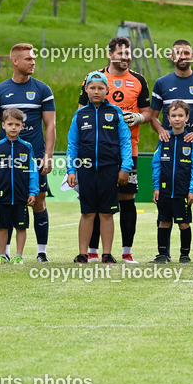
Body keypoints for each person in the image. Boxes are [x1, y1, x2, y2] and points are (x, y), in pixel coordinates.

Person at [77, 36, 151, 263]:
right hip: (97, 153)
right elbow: (81, 114)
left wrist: (138, 116)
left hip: (129, 151)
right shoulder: (94, 78)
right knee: (98, 200)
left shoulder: (139, 80)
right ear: (110, 54)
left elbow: (148, 114)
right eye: (120, 53)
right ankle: (92, 251)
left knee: (127, 197)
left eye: (128, 53)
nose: (125, 57)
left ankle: (126, 252)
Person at [150, 39, 193, 262]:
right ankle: (164, 254)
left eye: (187, 53)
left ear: (192, 55)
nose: (182, 56)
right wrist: (161, 130)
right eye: (178, 53)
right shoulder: (162, 83)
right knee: (168, 201)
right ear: (172, 56)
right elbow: (152, 116)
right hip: (170, 147)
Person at [0, 44, 56, 262]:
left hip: (33, 157)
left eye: (33, 58)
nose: (33, 62)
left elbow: (51, 124)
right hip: (6, 158)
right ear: (15, 61)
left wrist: (48, 155)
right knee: (6, 202)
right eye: (28, 59)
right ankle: (5, 253)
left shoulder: (43, 90)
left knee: (38, 201)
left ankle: (41, 251)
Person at [67, 72, 134, 264]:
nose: (96, 92)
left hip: (110, 169)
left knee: (107, 213)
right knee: (87, 212)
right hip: (86, 170)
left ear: (107, 90)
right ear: (86, 89)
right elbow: (73, 145)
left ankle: (107, 254)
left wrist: (126, 167)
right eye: (92, 88)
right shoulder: (80, 115)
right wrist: (71, 170)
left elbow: (125, 142)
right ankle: (83, 253)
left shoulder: (115, 113)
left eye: (100, 88)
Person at [0, 109, 39, 264]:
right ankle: (2, 255)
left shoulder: (27, 148)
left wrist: (33, 191)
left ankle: (18, 256)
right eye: (10, 124)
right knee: (2, 226)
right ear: (4, 125)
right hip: (2, 195)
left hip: (21, 196)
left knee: (21, 227)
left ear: (22, 127)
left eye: (17, 124)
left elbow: (33, 171)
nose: (13, 127)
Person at [150, 101, 193, 264]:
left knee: (184, 223)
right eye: (174, 116)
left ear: (187, 117)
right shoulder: (164, 139)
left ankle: (184, 255)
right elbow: (156, 164)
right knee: (164, 221)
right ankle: (162, 255)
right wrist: (156, 187)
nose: (177, 119)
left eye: (180, 115)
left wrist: (192, 190)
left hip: (183, 191)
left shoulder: (191, 141)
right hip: (165, 190)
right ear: (168, 118)